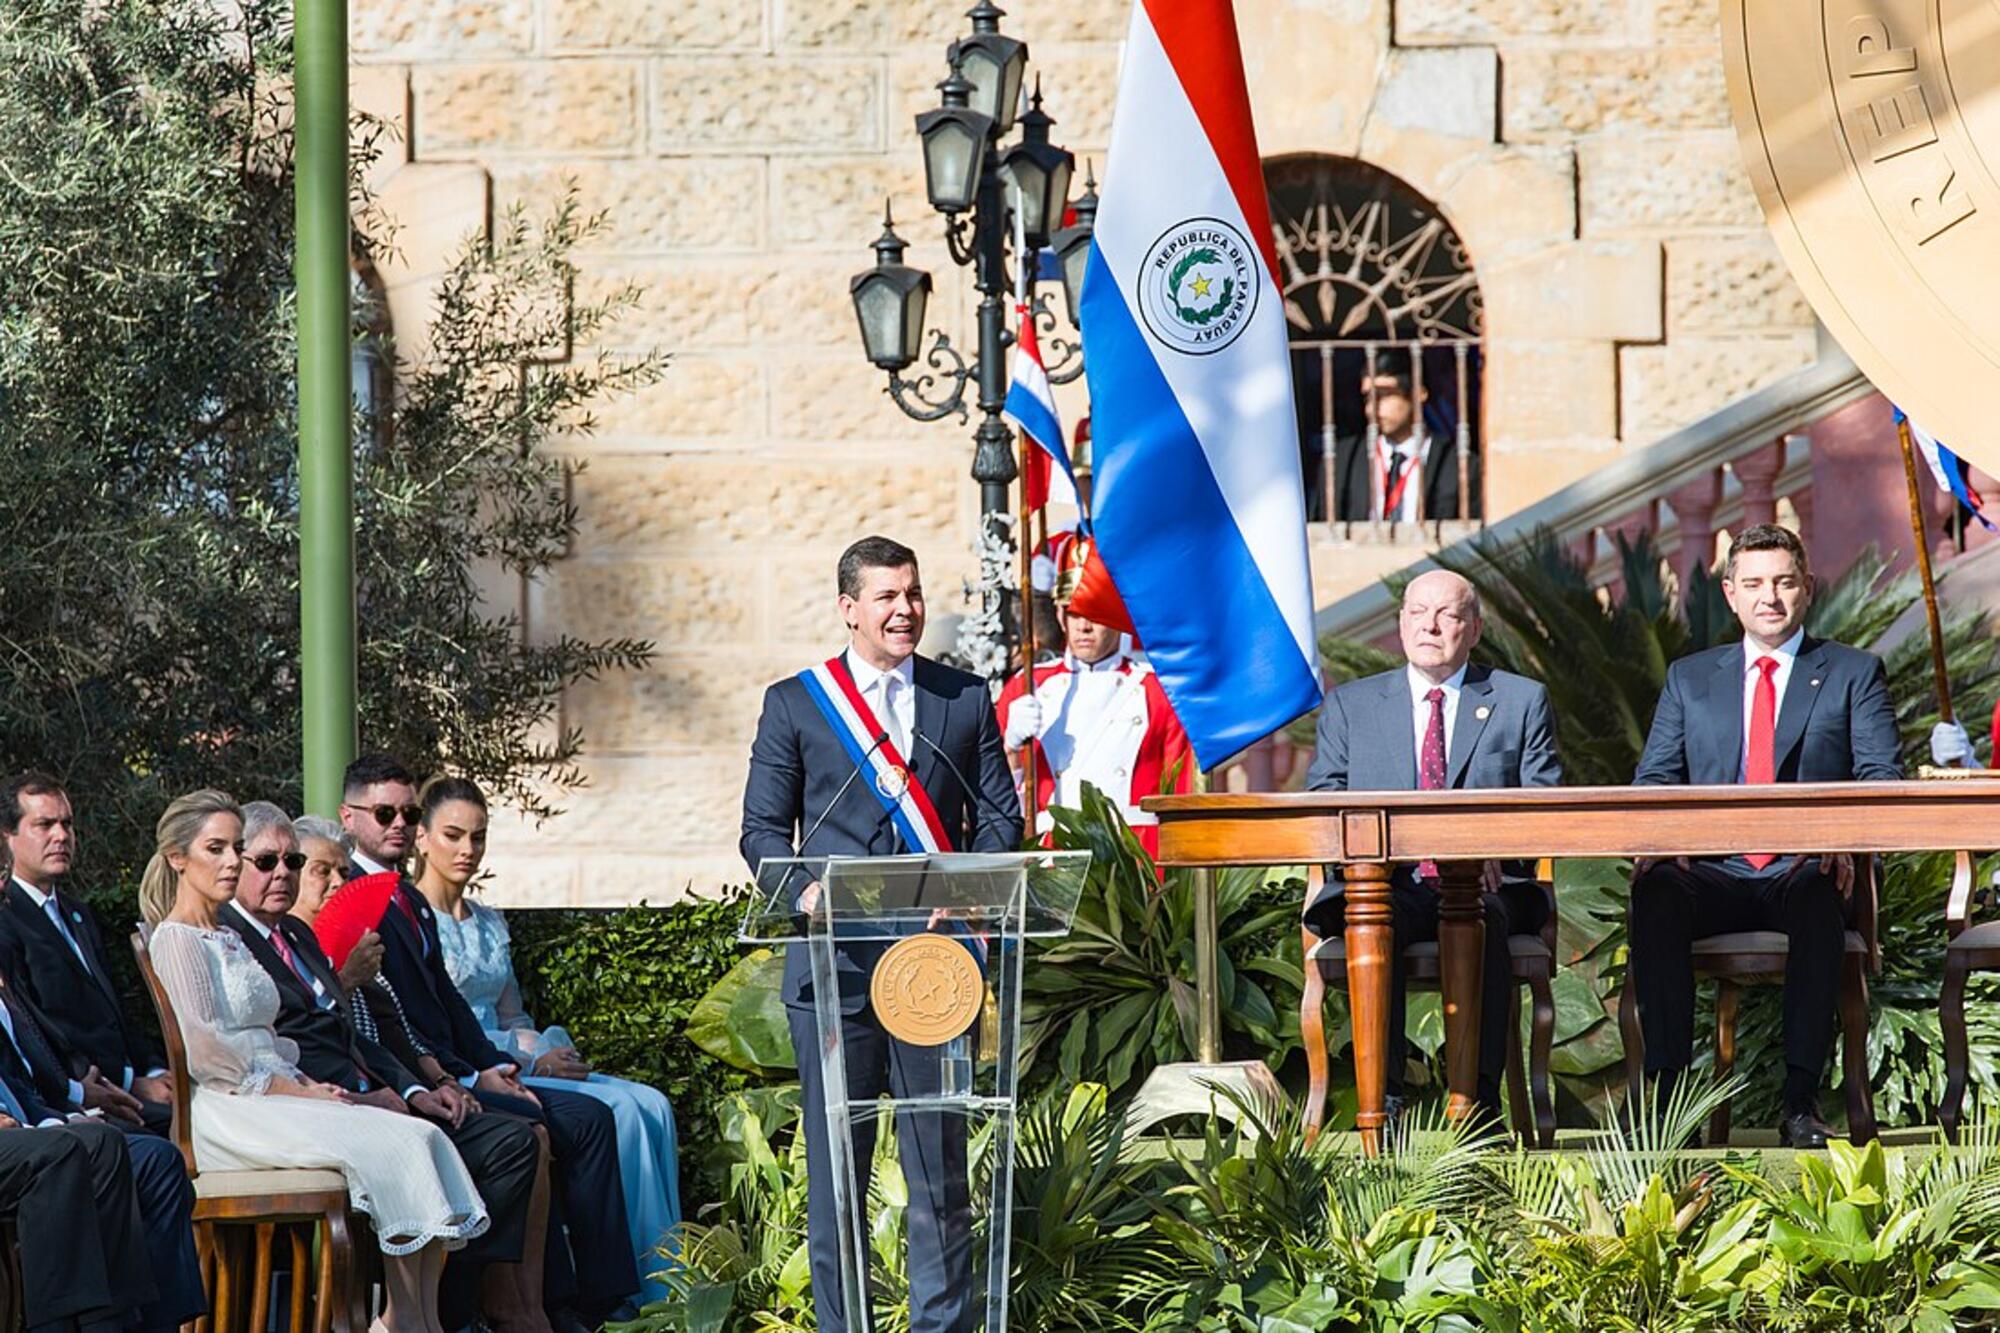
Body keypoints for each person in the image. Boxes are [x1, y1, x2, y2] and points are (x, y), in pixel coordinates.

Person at [740, 534, 1023, 1333]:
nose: (906, 610)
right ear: (849, 609)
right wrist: (802, 896)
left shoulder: (960, 699)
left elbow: (1001, 817)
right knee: (838, 1179)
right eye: (888, 597)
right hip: (836, 968)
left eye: (914, 593)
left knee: (939, 1176)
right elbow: (762, 830)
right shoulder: (796, 702)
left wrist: (965, 890)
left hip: (936, 964)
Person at [140, 789, 489, 1333]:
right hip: (231, 1112)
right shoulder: (178, 939)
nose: (232, 861)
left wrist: (300, 1079)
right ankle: (399, 1322)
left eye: (236, 847)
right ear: (178, 859)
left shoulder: (225, 933)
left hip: (274, 1090)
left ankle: (418, 1316)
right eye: (217, 849)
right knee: (393, 1142)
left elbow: (268, 1039)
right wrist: (296, 1091)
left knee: (420, 1135)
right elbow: (210, 1057)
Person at [222, 802, 553, 1333]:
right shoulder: (227, 937)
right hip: (306, 1103)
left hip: (372, 1091)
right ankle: (408, 1316)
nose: (282, 873)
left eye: (291, 861)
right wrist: (361, 1087)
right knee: (423, 1141)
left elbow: (365, 1037)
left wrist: (418, 1087)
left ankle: (445, 1308)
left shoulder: (296, 936)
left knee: (513, 1141)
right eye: (269, 862)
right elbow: (285, 1041)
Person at [340, 754, 640, 1326]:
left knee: (590, 1119)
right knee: (537, 1131)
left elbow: (446, 1003)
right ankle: (517, 1306)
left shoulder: (403, 896)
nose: (398, 824)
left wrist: (491, 1064)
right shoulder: (346, 892)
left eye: (406, 812)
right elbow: (382, 1020)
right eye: (384, 813)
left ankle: (593, 1301)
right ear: (349, 816)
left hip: (446, 1067)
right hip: (399, 1080)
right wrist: (454, 1078)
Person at [1630, 523, 1903, 1148]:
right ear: (1730, 595)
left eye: (1783, 582)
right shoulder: (1689, 677)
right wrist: (1665, 840)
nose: (1769, 598)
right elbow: (1654, 779)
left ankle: (1800, 1101)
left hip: (1804, 869)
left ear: (1806, 589)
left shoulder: (1852, 673)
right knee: (1657, 892)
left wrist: (1840, 839)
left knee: (1814, 895)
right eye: (1753, 584)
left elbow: (1881, 777)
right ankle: (1668, 1102)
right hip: (1713, 872)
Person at [1303, 569, 1562, 1119]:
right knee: (1374, 919)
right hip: (1386, 888)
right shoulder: (1352, 705)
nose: (1430, 626)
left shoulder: (1520, 701)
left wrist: (1493, 850)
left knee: (1481, 917)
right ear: (1400, 625)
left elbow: (1546, 806)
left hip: (1489, 888)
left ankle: (1480, 1103)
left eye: (1447, 614)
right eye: (1418, 613)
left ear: (1474, 628)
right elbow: (1323, 804)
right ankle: (1386, 1098)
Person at [413, 777, 683, 1303]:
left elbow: (514, 1013)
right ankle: (624, 1293)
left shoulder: (491, 923)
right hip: (473, 1063)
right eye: (453, 835)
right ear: (422, 838)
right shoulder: (415, 921)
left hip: (518, 1057)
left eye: (478, 837)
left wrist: (542, 1053)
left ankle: (666, 1275)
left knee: (651, 1103)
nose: (467, 849)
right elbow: (438, 1026)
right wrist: (524, 1060)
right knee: (619, 1113)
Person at [0, 840, 205, 1333]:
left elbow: (20, 1067)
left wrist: (69, 1102)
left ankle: (149, 1323)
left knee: (153, 1158)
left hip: (26, 1120)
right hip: (19, 1138)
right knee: (74, 1148)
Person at [0, 773, 174, 1134]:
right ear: (8, 836)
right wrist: (126, 1082)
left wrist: (154, 1070)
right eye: (44, 825)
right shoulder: (6, 920)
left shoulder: (79, 915)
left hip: (127, 1087)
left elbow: (115, 1011)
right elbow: (37, 1025)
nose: (61, 835)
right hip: (76, 1095)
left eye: (67, 823)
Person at [997, 538, 1193, 856]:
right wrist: (1010, 746)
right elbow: (995, 791)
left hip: (1135, 853)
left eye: (1096, 614)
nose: (1084, 627)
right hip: (1052, 854)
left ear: (1118, 618)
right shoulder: (1026, 685)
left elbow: (1180, 788)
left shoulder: (1157, 691)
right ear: (1060, 617)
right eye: (1074, 613)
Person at [1333, 353, 1476, 523]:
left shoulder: (1459, 464)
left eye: (1384, 395)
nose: (1371, 409)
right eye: (1367, 398)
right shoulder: (1343, 460)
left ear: (1418, 394)